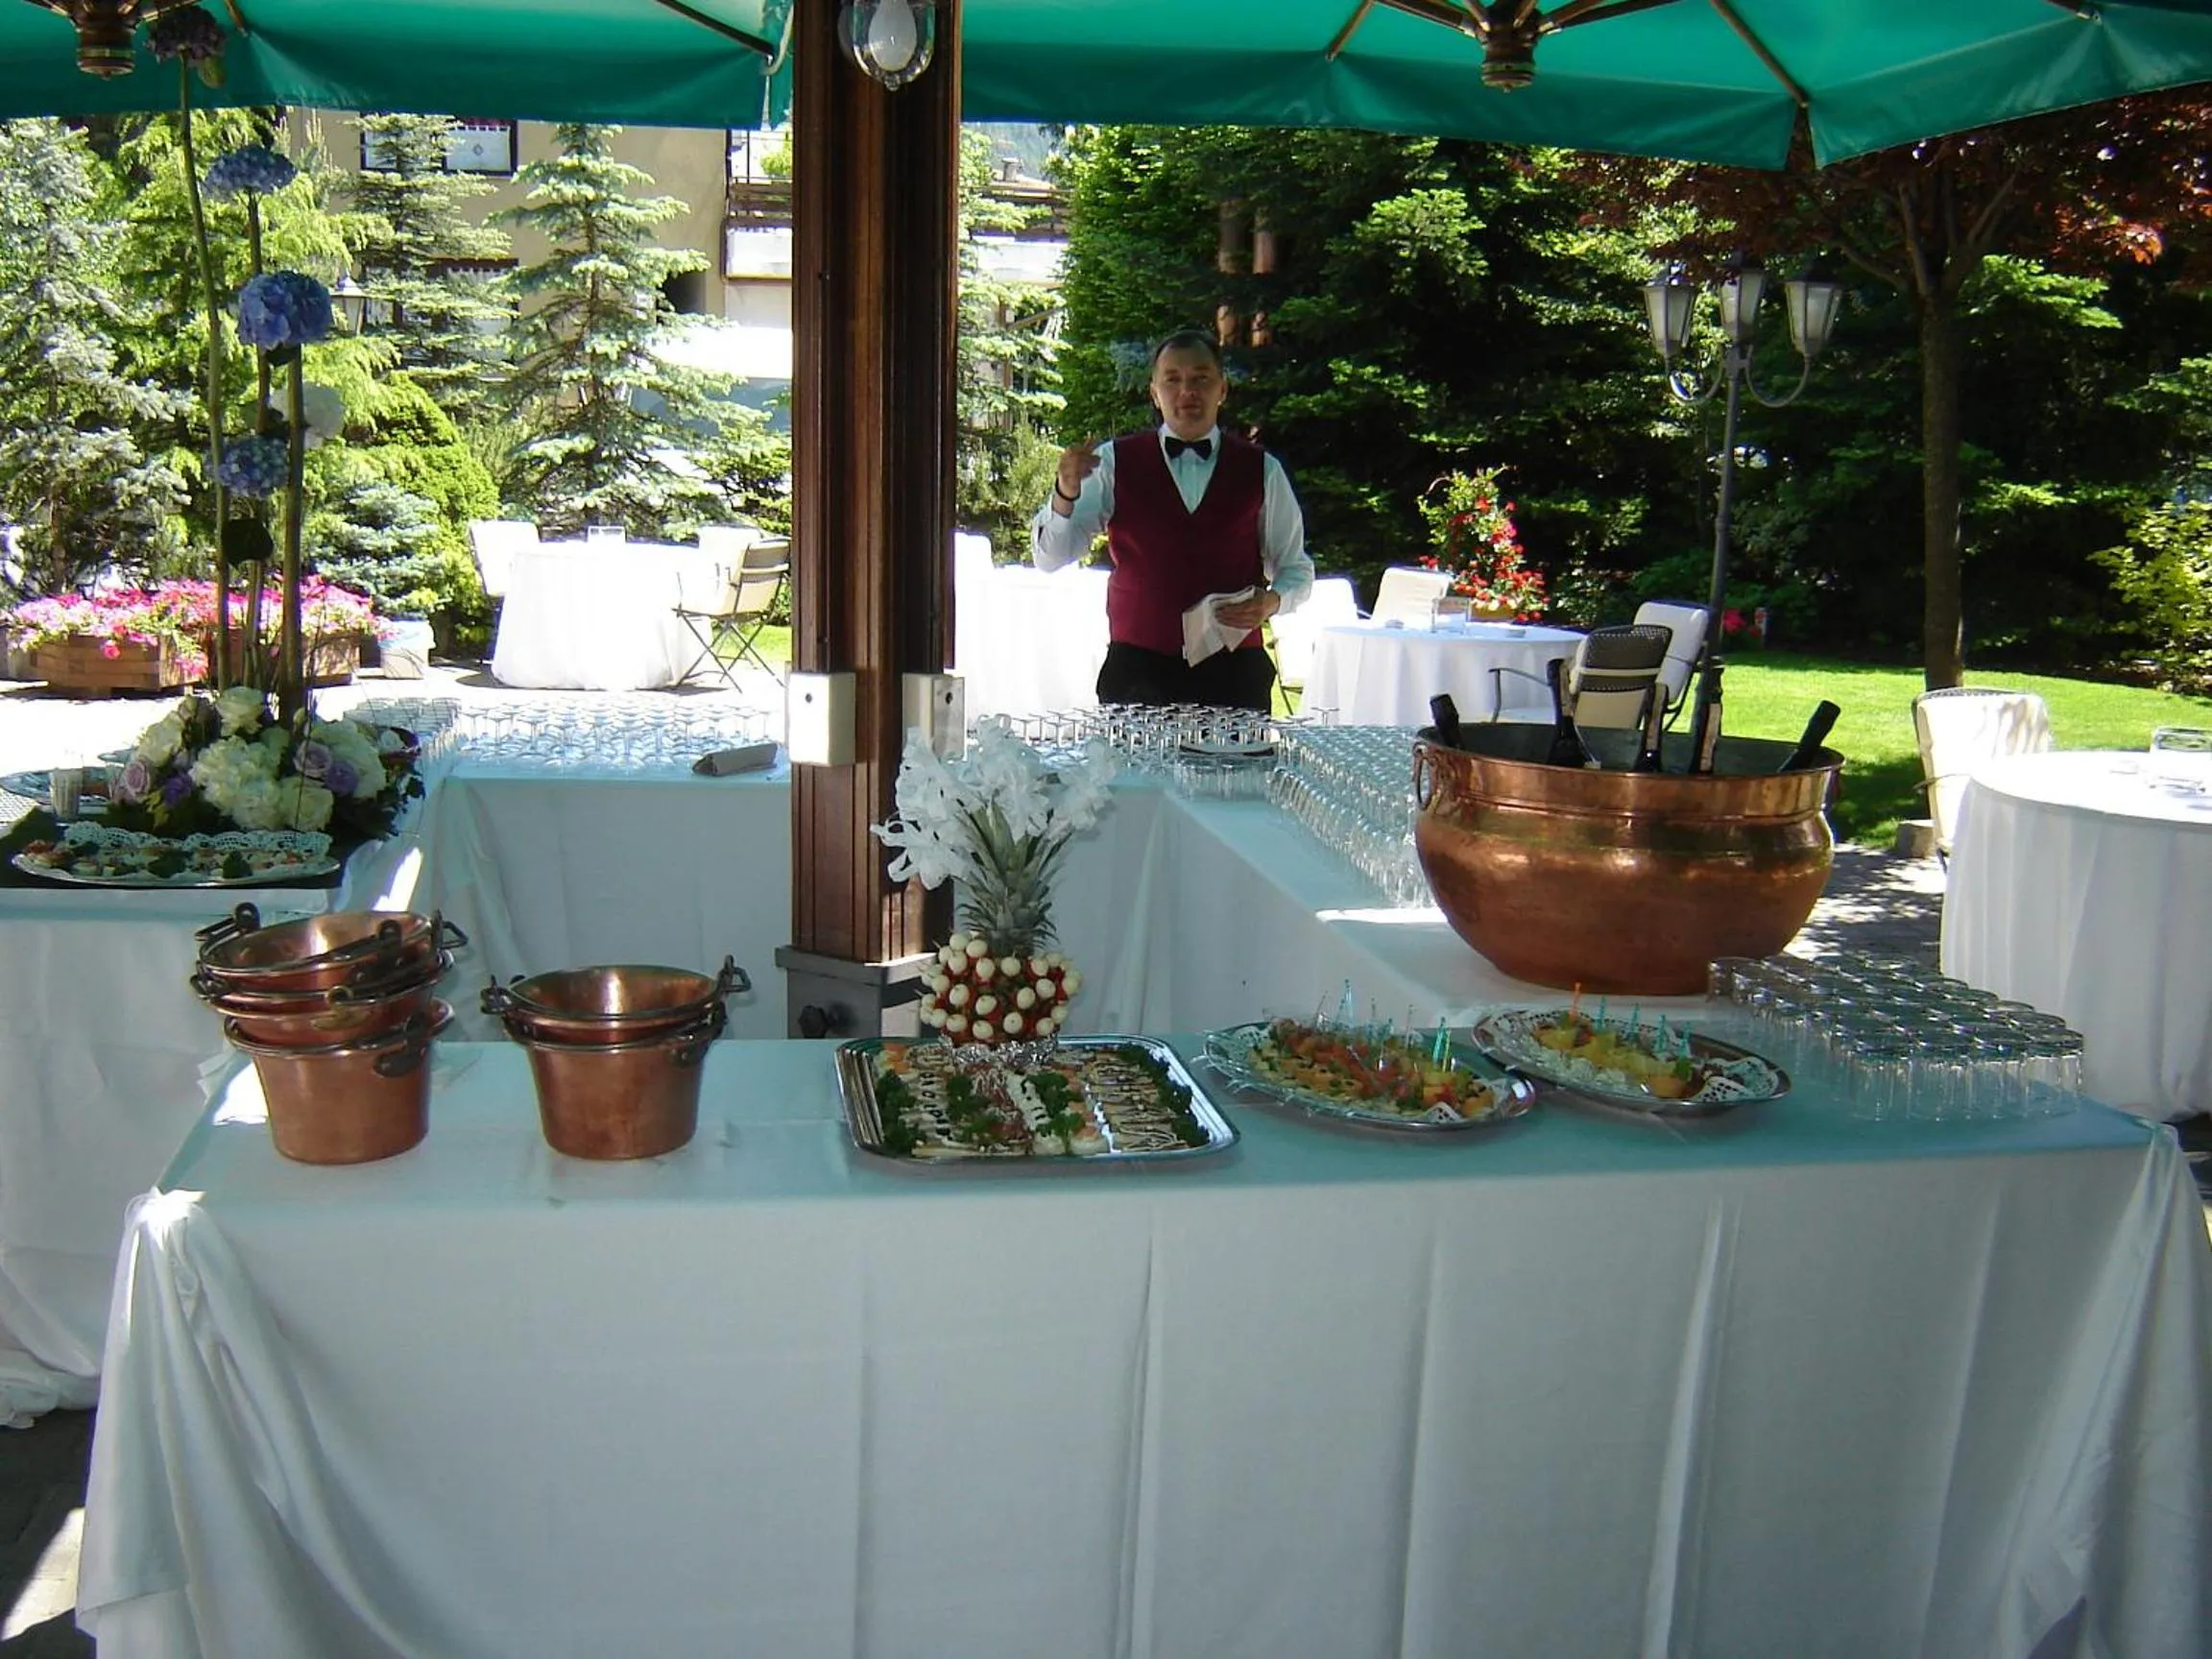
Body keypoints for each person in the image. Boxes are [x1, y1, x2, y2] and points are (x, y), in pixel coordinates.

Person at [1032, 329, 1314, 711]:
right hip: (1137, 673)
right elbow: (1050, 558)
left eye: (1201, 379)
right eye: (1173, 380)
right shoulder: (1114, 462)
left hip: (1234, 676)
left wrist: (1273, 601)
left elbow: (1296, 567)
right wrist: (1064, 493)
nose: (1187, 392)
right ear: (1154, 392)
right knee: (1131, 774)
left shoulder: (1262, 469)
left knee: (1239, 774)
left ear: (1222, 389)